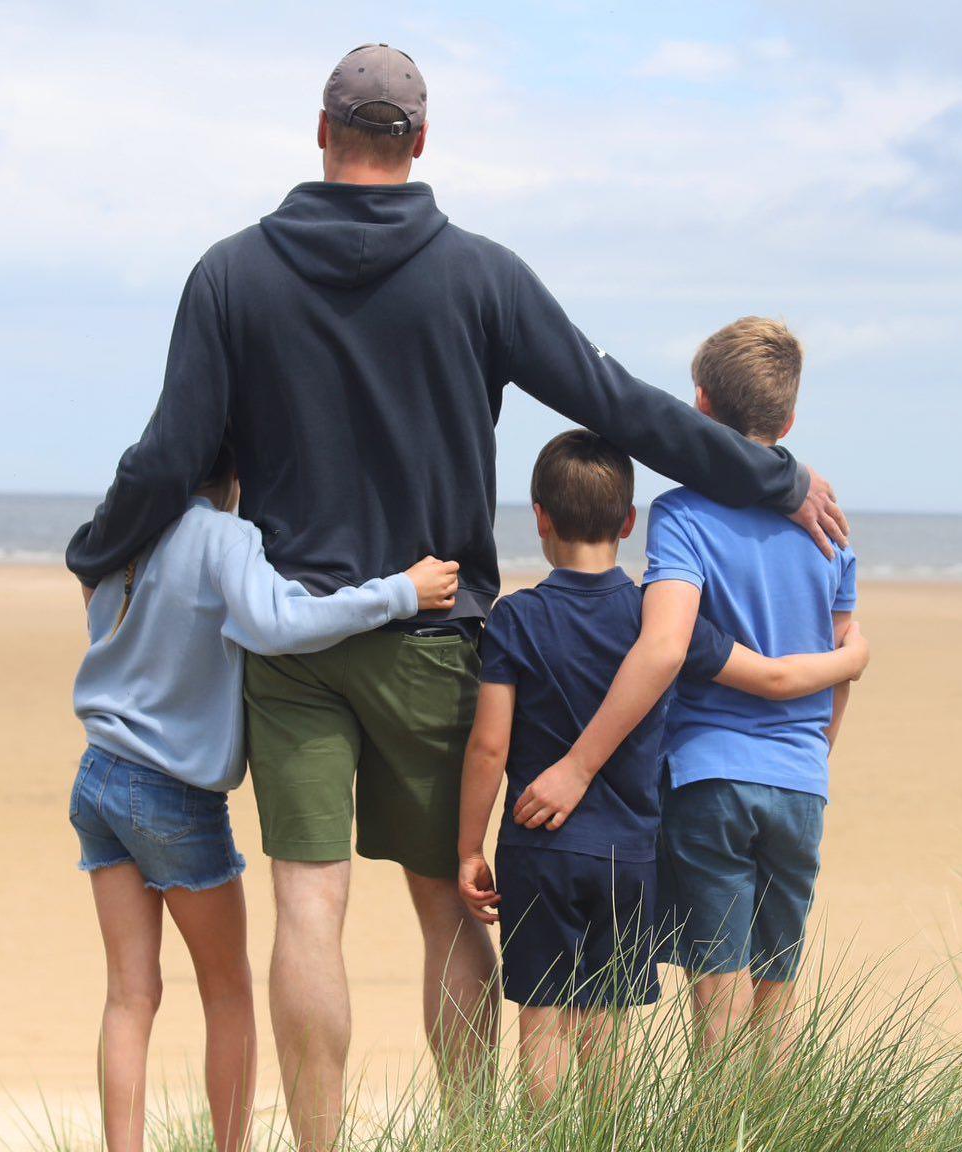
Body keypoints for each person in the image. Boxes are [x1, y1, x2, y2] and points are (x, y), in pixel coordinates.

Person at [64, 44, 848, 1148]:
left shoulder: (231, 275)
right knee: (443, 902)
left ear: (321, 131)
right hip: (436, 638)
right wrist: (773, 473)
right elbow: (619, 406)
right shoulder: (477, 274)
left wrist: (97, 551)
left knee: (307, 906)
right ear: (420, 142)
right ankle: (475, 1135)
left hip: (293, 647)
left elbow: (168, 457)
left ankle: (320, 1143)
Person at [455, 431, 868, 1107]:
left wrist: (470, 846)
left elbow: (489, 748)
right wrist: (849, 660)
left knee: (542, 1019)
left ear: (539, 516)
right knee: (607, 1025)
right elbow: (766, 675)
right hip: (631, 854)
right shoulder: (659, 621)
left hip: (538, 848)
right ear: (627, 523)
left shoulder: (516, 618)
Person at [68, 443, 460, 1152]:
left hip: (97, 775)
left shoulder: (121, 534)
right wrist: (399, 591)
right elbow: (281, 624)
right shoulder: (224, 537)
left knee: (130, 994)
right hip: (171, 794)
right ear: (238, 475)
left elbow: (96, 603)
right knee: (227, 993)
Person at [529, 319, 856, 1058]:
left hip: (709, 777)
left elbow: (665, 644)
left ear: (698, 410)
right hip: (803, 781)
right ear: (790, 418)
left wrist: (580, 765)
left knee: (717, 993)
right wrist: (812, 755)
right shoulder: (831, 526)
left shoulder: (681, 515)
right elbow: (844, 663)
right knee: (777, 989)